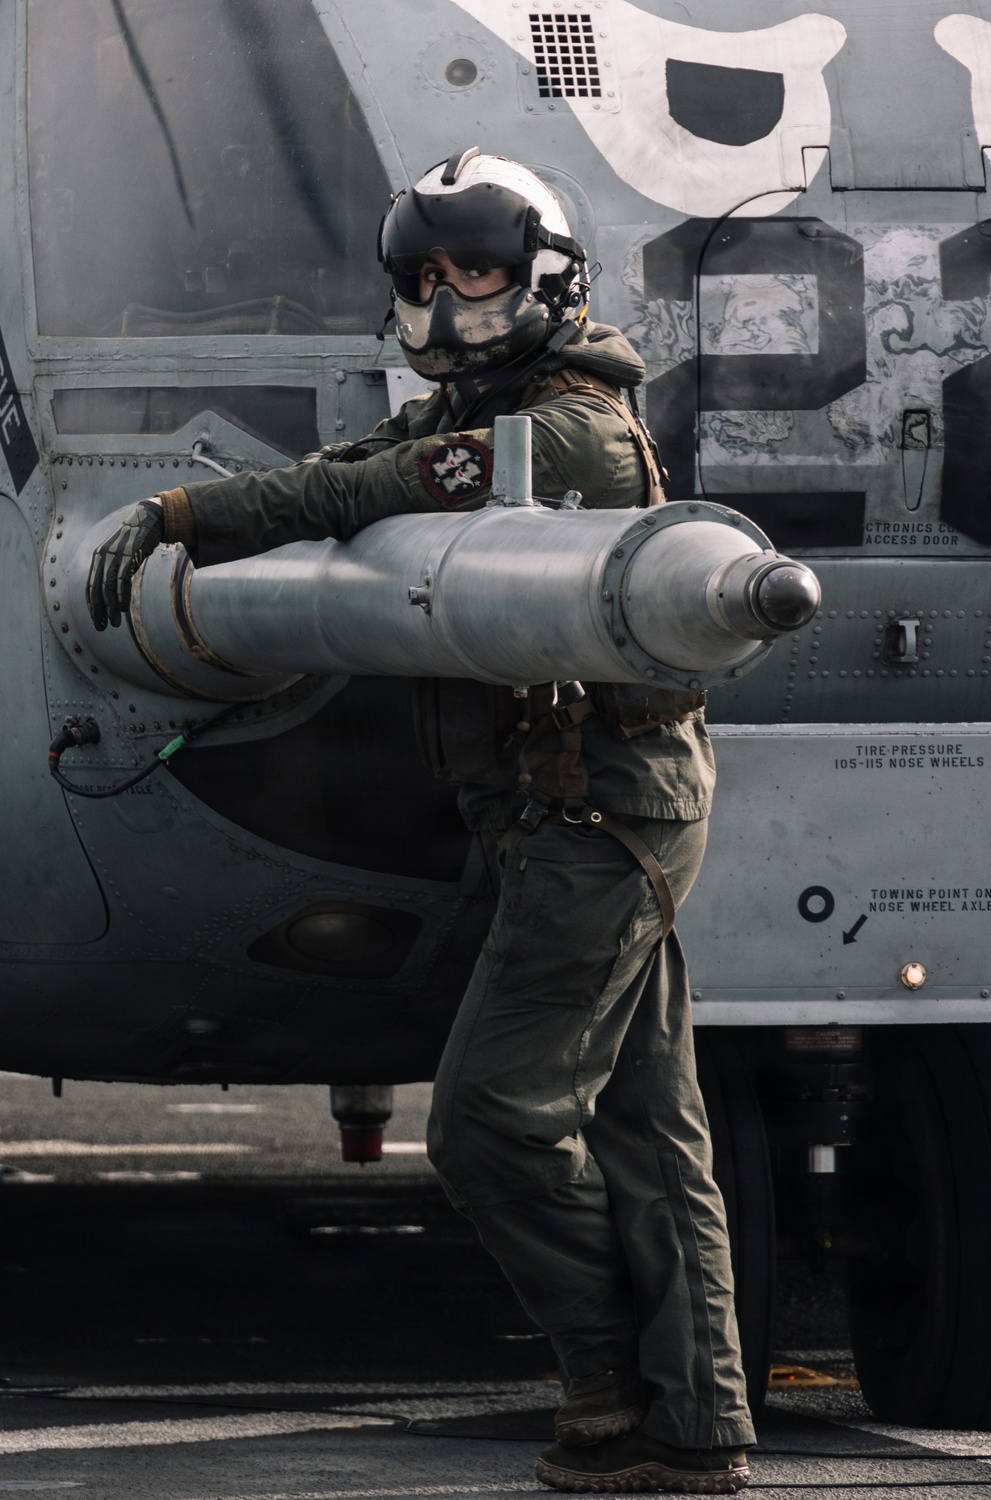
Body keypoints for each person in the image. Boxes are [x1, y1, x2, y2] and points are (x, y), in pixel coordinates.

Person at [87, 148, 756, 1494]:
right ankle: (693, 1432)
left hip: (599, 818)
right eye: (428, 275)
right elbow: (361, 462)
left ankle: (609, 1388)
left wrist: (184, 512)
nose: (449, 302)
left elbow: (362, 490)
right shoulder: (487, 409)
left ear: (546, 280)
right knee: (646, 1135)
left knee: (491, 1125)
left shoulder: (563, 432)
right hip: (577, 811)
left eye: (480, 272)